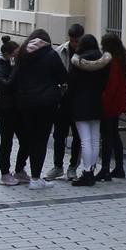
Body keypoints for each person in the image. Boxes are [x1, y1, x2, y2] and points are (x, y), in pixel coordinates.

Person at [9, 30, 67, 189]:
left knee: (29, 138)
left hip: (25, 103)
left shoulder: (22, 54)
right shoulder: (50, 54)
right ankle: (35, 178)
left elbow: (14, 78)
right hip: (46, 104)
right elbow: (62, 77)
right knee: (40, 140)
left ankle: (24, 171)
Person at [64, 33, 108, 187]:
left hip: (80, 103)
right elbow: (105, 83)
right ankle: (92, 170)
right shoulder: (103, 60)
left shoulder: (77, 61)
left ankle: (86, 172)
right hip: (97, 102)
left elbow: (71, 84)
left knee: (85, 140)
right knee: (95, 140)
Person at [47, 24, 87, 179]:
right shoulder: (61, 51)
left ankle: (73, 167)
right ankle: (58, 166)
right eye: (73, 41)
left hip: (79, 101)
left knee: (77, 135)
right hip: (63, 99)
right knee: (59, 135)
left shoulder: (88, 53)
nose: (75, 44)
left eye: (77, 41)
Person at [98, 32, 126, 182]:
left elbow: (111, 85)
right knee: (114, 135)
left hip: (110, 104)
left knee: (107, 136)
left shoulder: (114, 62)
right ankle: (119, 167)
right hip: (118, 103)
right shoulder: (123, 59)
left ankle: (105, 169)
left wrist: (104, 101)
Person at [0, 35, 20, 186]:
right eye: (15, 55)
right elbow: (5, 86)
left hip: (18, 107)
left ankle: (20, 170)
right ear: (8, 55)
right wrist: (14, 69)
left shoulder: (12, 64)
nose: (17, 57)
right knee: (6, 142)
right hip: (6, 109)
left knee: (26, 140)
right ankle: (5, 174)